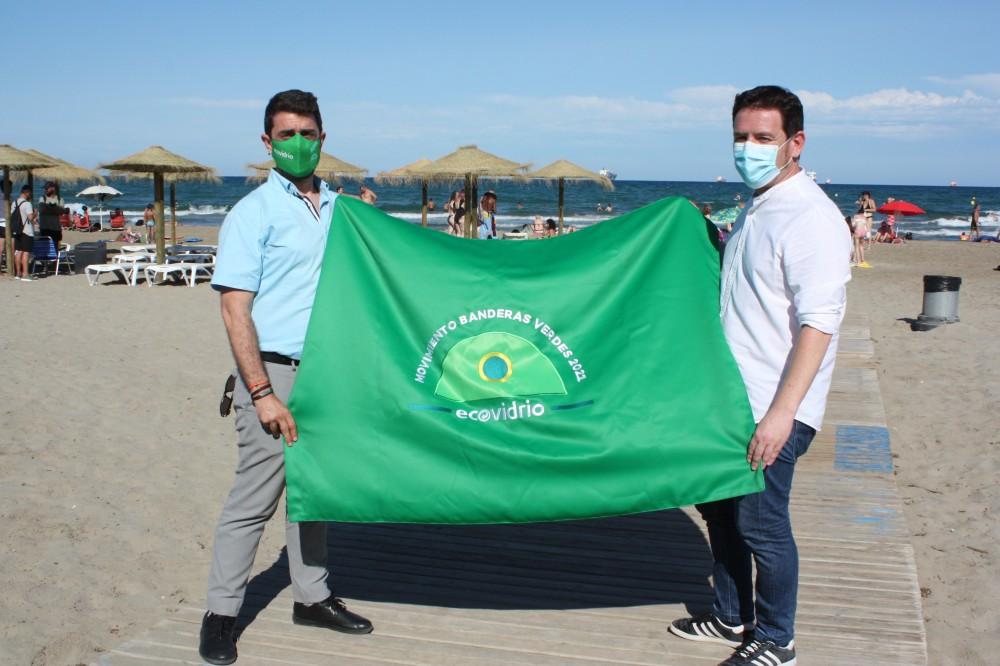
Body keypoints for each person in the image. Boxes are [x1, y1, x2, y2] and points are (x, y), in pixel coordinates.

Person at [669, 86, 850, 666]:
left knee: (761, 525)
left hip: (774, 406)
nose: (748, 148)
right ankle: (731, 616)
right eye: (740, 137)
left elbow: (819, 324)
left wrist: (781, 416)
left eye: (763, 138)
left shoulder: (810, 217)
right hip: (731, 398)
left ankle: (776, 639)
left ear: (795, 143)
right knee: (719, 510)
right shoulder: (757, 206)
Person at [200, 89, 372, 666]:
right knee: (255, 498)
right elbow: (234, 310)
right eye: (286, 134)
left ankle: (311, 596)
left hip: (328, 371)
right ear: (267, 141)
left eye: (308, 133)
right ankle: (221, 614)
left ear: (323, 138)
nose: (298, 143)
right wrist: (262, 393)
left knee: (315, 491)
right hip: (273, 371)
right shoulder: (252, 213)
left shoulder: (341, 210)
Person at [11, 185, 37, 281]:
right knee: (26, 252)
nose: (30, 195)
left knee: (18, 251)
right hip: (26, 231)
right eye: (30, 193)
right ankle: (25, 274)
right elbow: (30, 218)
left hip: (17, 231)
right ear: (27, 193)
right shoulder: (27, 204)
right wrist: (35, 213)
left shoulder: (14, 203)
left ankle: (18, 273)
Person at [36, 181, 64, 247]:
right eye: (45, 189)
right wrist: (55, 209)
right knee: (44, 247)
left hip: (56, 228)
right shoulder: (42, 198)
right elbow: (42, 210)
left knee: (55, 248)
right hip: (45, 228)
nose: (45, 190)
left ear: (53, 188)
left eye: (46, 188)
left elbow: (61, 212)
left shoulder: (60, 199)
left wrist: (48, 208)